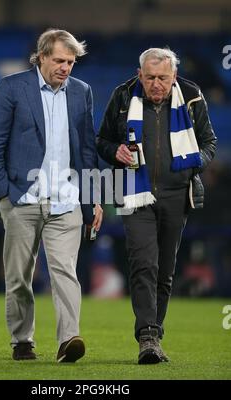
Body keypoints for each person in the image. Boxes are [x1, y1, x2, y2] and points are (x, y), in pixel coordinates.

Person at [0, 29, 103, 362]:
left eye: (71, 62)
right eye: (60, 60)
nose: (66, 67)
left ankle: (68, 340)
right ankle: (22, 340)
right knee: (19, 276)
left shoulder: (82, 92)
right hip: (21, 198)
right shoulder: (11, 87)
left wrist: (92, 198)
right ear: (42, 56)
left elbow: (87, 150)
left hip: (66, 200)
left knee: (65, 272)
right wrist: (2, 193)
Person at [96, 48, 216, 364]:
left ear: (173, 76)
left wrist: (194, 165)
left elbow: (209, 142)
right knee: (143, 264)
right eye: (149, 78)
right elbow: (102, 140)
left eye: (163, 78)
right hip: (134, 194)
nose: (156, 84)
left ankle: (154, 334)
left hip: (178, 195)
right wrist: (115, 152)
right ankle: (147, 336)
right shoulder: (123, 96)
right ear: (140, 76)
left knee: (164, 272)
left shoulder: (191, 95)